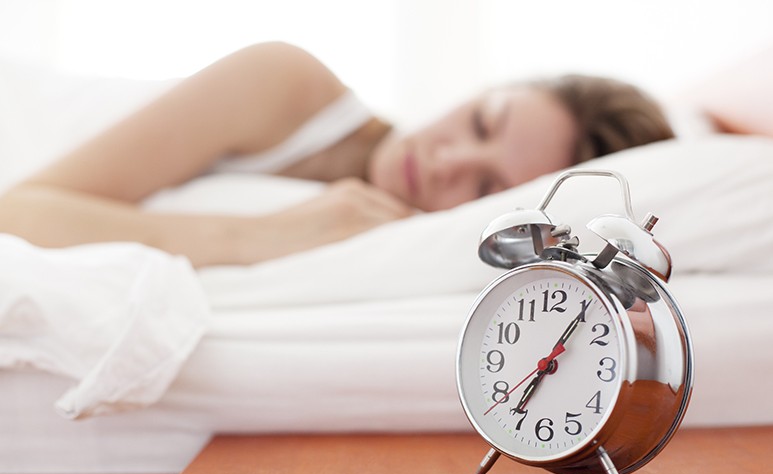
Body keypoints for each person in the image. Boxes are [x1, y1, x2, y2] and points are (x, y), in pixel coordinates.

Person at [0, 42, 674, 267]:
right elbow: (17, 212)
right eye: (478, 119)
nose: (447, 159)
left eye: (483, 186)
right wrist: (261, 238)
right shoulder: (285, 83)